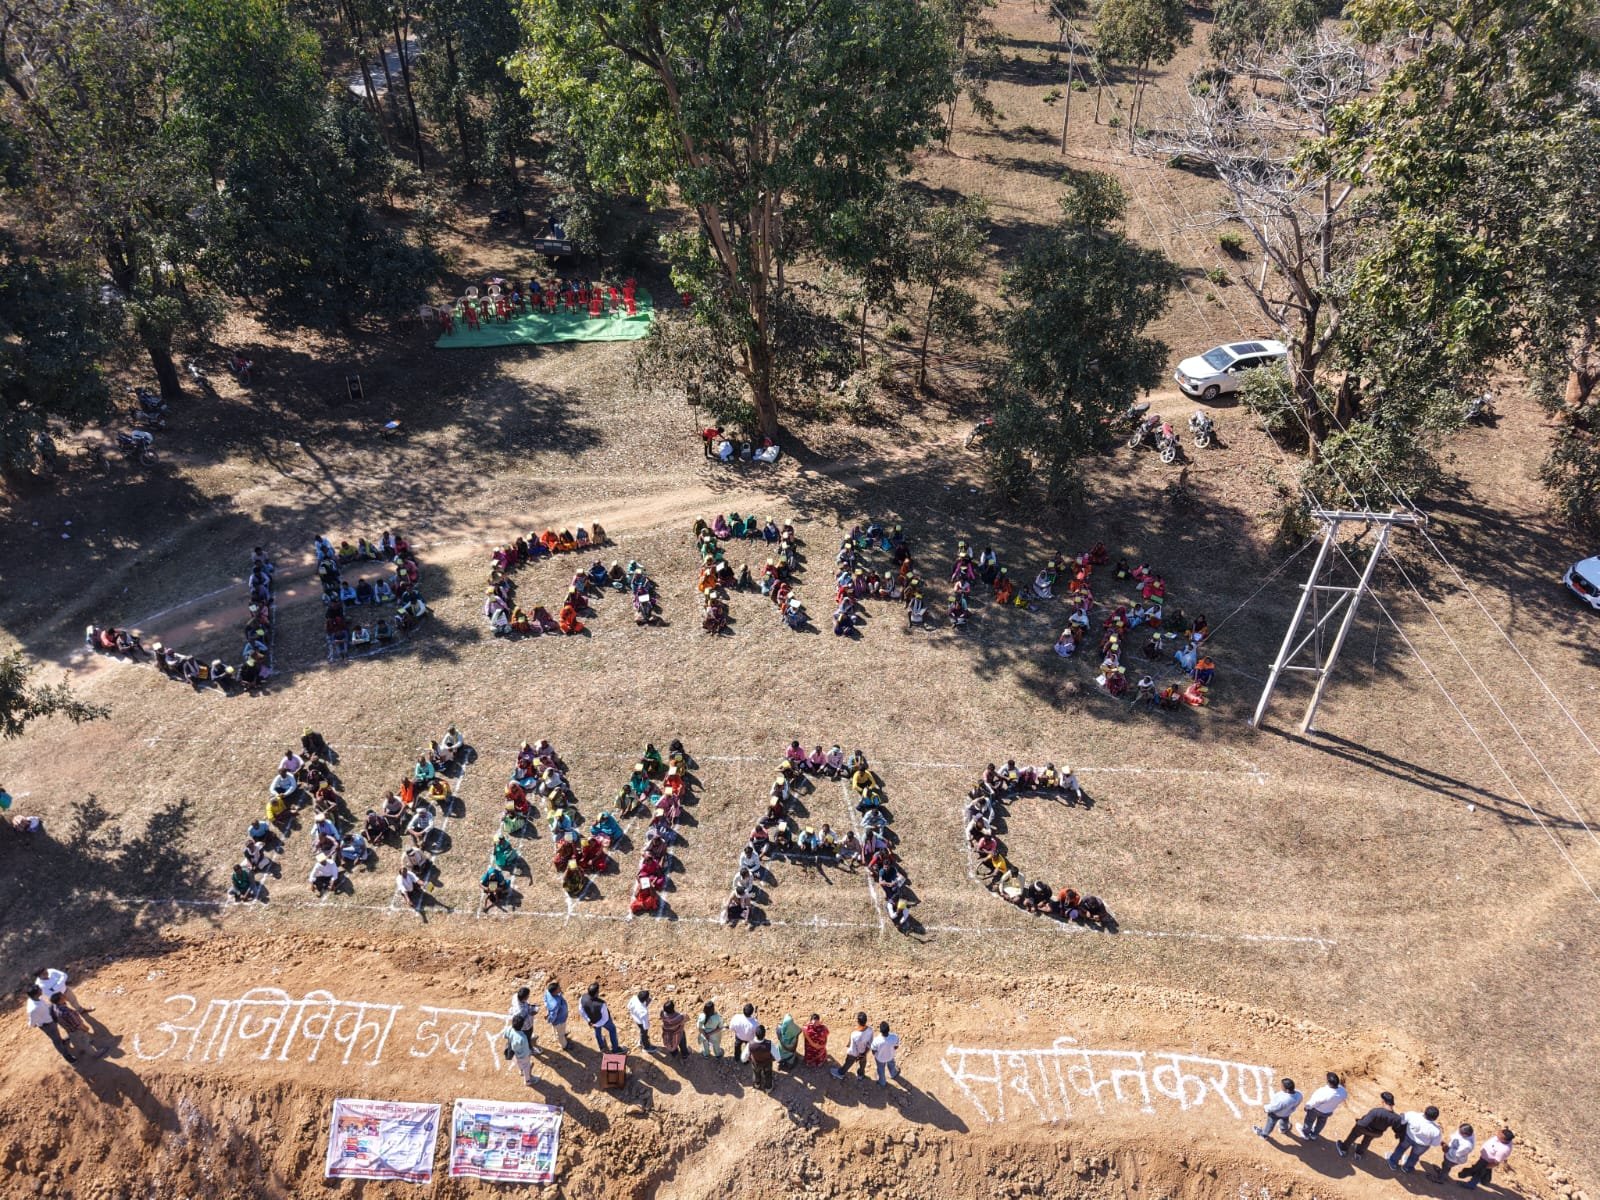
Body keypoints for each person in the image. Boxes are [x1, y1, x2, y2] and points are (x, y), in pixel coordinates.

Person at [26, 984, 104, 1064]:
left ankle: (75, 1045)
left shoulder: (40, 999)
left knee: (68, 1034)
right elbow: (32, 1022)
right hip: (48, 1025)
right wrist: (84, 1028)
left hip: (53, 1019)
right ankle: (68, 1056)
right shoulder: (33, 1009)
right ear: (36, 994)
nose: (41, 989)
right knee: (57, 1040)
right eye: (39, 989)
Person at [1337, 1091, 1403, 1158]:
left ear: (1383, 1101)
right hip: (1377, 1133)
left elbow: (1364, 1123)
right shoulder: (1396, 1118)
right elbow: (1397, 1130)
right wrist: (1398, 1135)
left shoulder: (1376, 1111)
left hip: (1364, 1128)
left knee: (1354, 1134)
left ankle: (1343, 1149)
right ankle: (1359, 1153)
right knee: (1367, 1140)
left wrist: (1358, 1121)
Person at [1389, 1105, 1444, 1172]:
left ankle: (1393, 1163)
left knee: (1400, 1149)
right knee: (1414, 1156)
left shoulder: (1412, 1115)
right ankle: (1407, 1168)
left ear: (1425, 1111)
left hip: (1408, 1137)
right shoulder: (1436, 1130)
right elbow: (1435, 1144)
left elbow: (1401, 1121)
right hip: (1422, 1145)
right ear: (1435, 1118)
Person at [1301, 1072, 1347, 1139]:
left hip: (1316, 1110)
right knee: (1321, 1123)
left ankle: (1305, 1134)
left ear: (1328, 1082)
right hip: (1328, 1111)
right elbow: (1343, 1098)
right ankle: (1314, 1135)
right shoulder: (1343, 1091)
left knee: (1309, 1121)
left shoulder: (1323, 1092)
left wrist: (1307, 1107)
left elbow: (1314, 1102)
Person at [580, 983, 622, 1054]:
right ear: (596, 993)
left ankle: (602, 1047)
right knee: (612, 1029)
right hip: (603, 1021)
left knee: (598, 1033)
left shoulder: (583, 997)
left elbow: (581, 1010)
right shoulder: (601, 1004)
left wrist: (589, 1021)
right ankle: (615, 1049)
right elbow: (605, 1018)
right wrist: (596, 1024)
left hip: (593, 1020)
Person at [831, 1012, 872, 1080]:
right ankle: (860, 1075)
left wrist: (850, 1052)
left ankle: (841, 1073)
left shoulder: (855, 1034)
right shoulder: (870, 1030)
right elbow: (870, 1043)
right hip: (864, 1052)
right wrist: (863, 1053)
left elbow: (852, 1047)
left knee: (848, 1063)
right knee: (862, 1063)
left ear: (858, 1022)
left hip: (854, 1054)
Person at [502, 1014, 536, 1087]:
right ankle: (527, 1081)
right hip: (523, 1056)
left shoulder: (509, 1029)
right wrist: (529, 1053)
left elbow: (504, 1035)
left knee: (519, 1063)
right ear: (522, 1025)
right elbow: (526, 1049)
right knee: (526, 1066)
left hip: (515, 1054)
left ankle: (521, 1071)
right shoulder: (522, 1038)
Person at [870, 1021, 901, 1087]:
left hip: (880, 1059)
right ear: (888, 1029)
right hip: (890, 1056)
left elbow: (873, 1051)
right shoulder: (894, 1037)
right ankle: (893, 1074)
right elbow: (896, 1047)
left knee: (881, 1070)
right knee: (892, 1065)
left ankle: (882, 1082)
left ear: (880, 1031)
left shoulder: (876, 1040)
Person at [749, 1024, 776, 1090]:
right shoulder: (769, 1044)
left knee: (756, 1073)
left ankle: (757, 1084)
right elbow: (777, 1056)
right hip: (767, 1063)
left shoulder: (750, 1044)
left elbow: (744, 1057)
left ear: (755, 1034)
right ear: (764, 1034)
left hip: (756, 1063)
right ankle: (768, 1088)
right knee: (768, 1074)